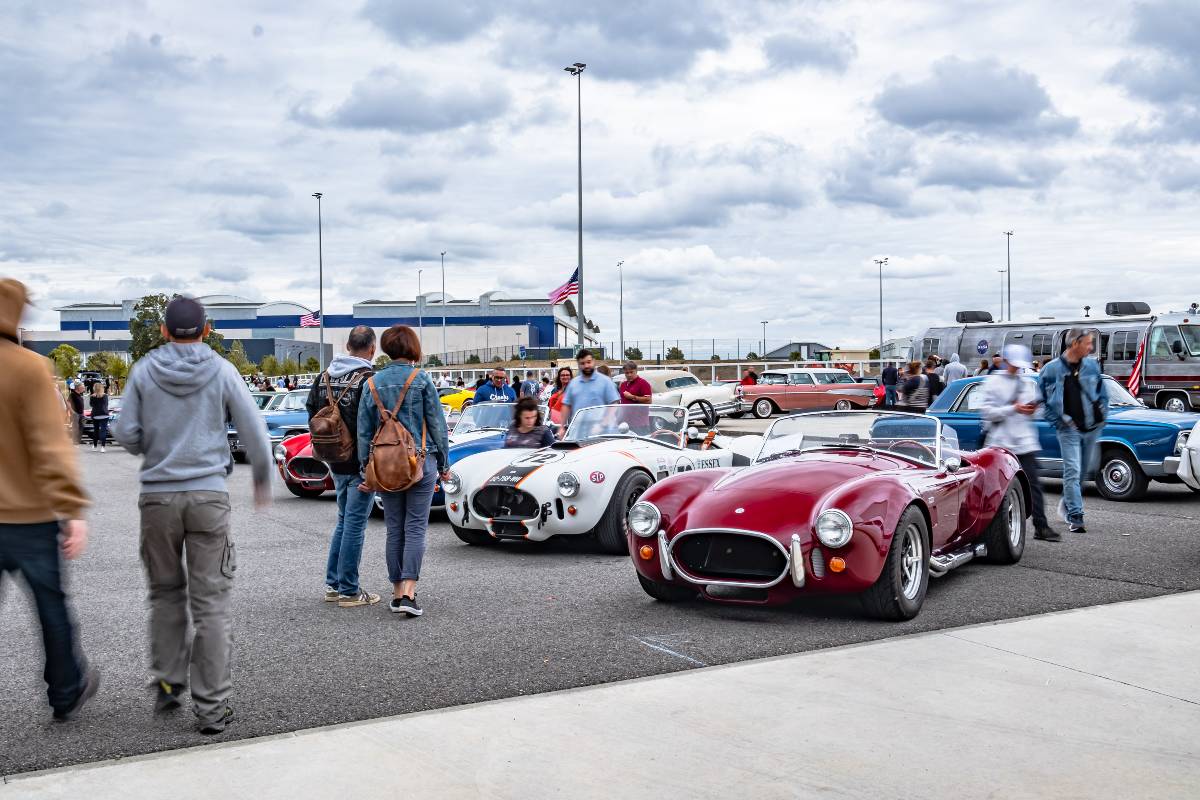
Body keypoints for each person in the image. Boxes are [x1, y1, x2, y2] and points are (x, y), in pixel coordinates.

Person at [114, 296, 272, 735]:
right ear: (205, 331)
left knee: (165, 593)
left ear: (165, 331)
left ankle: (167, 680)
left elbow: (124, 432)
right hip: (208, 496)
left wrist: (156, 444)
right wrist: (261, 476)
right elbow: (254, 430)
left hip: (158, 500)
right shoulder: (222, 370)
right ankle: (212, 709)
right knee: (212, 607)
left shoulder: (145, 369)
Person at [0, 279, 98, 722]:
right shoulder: (28, 368)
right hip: (30, 516)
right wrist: (72, 507)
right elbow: (49, 445)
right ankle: (65, 690)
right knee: (50, 608)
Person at [357, 325, 450, 618]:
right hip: (420, 462)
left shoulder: (372, 383)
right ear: (412, 348)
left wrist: (365, 469)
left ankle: (397, 592)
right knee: (415, 526)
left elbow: (363, 431)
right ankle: (410, 591)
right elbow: (437, 425)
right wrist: (444, 463)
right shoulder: (421, 379)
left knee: (394, 528)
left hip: (385, 465)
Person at [305, 326, 379, 608]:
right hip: (359, 463)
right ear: (371, 349)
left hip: (333, 458)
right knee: (355, 524)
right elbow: (372, 425)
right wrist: (367, 465)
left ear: (348, 346)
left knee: (343, 520)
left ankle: (333, 585)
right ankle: (349, 589)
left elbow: (312, 413)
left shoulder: (324, 376)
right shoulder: (368, 380)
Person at [980, 345, 1059, 541]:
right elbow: (987, 413)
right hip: (1001, 444)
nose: (1017, 369)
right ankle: (992, 529)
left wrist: (1031, 410)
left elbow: (1031, 411)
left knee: (1034, 487)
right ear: (1006, 361)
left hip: (1024, 442)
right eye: (1014, 365)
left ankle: (1041, 526)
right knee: (997, 489)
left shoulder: (1025, 382)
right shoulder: (993, 382)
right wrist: (1012, 408)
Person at [1039, 328, 1109, 534]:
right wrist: (1059, 422)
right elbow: (1041, 400)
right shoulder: (1051, 369)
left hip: (1092, 427)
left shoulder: (1091, 365)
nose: (1091, 347)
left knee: (1082, 474)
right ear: (1074, 343)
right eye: (1088, 343)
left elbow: (1102, 393)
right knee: (1072, 471)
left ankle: (1067, 503)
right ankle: (1076, 517)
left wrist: (1104, 414)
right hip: (1068, 429)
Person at [558, 349, 620, 436]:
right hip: (579, 433)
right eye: (582, 363)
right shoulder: (573, 384)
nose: (586, 365)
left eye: (588, 362)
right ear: (579, 365)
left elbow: (614, 405)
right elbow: (566, 405)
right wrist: (561, 427)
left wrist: (602, 425)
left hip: (604, 434)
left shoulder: (606, 381)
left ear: (594, 361)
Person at [89, 383, 111, 452]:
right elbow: (106, 405)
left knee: (96, 430)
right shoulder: (105, 396)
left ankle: (95, 446)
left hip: (95, 415)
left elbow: (91, 405)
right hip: (104, 414)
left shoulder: (92, 396)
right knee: (103, 431)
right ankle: (103, 447)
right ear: (102, 388)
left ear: (94, 388)